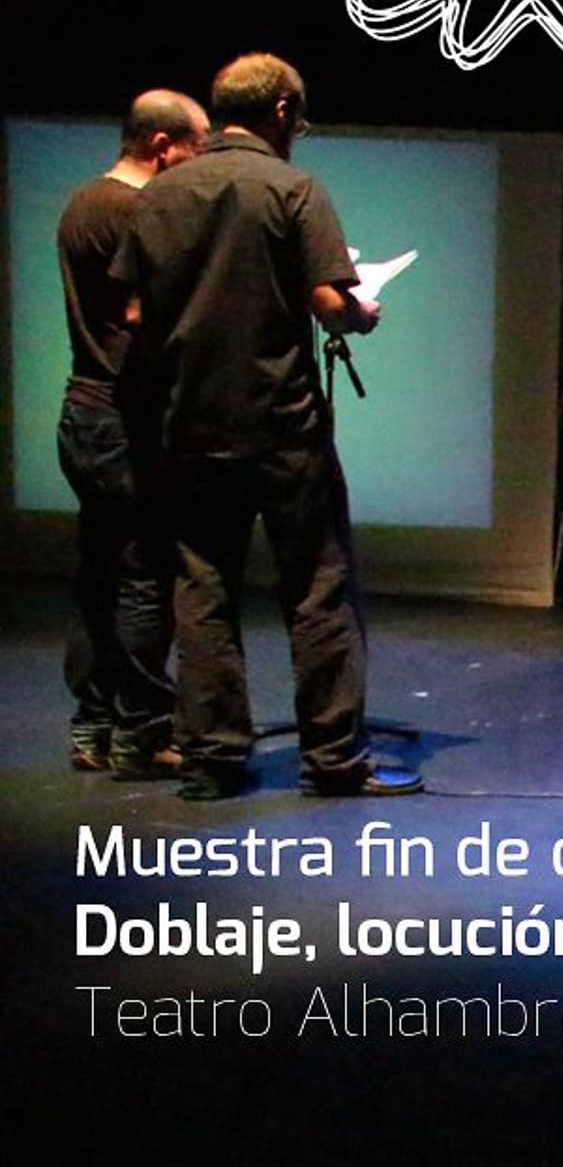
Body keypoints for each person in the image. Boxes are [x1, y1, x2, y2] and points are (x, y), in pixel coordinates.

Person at [109, 53, 419, 799]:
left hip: (191, 427)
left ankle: (212, 761)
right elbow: (331, 304)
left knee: (203, 590)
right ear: (282, 111)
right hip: (283, 429)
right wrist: (363, 314)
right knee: (316, 589)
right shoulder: (291, 188)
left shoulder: (160, 193)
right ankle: (333, 761)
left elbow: (133, 312)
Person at [56, 90, 209, 776]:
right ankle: (141, 734)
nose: (201, 162)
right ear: (161, 147)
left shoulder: (82, 200)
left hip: (85, 411)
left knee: (99, 570)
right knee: (145, 573)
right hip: (126, 415)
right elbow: (145, 315)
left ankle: (93, 726)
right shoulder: (134, 211)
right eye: (196, 147)